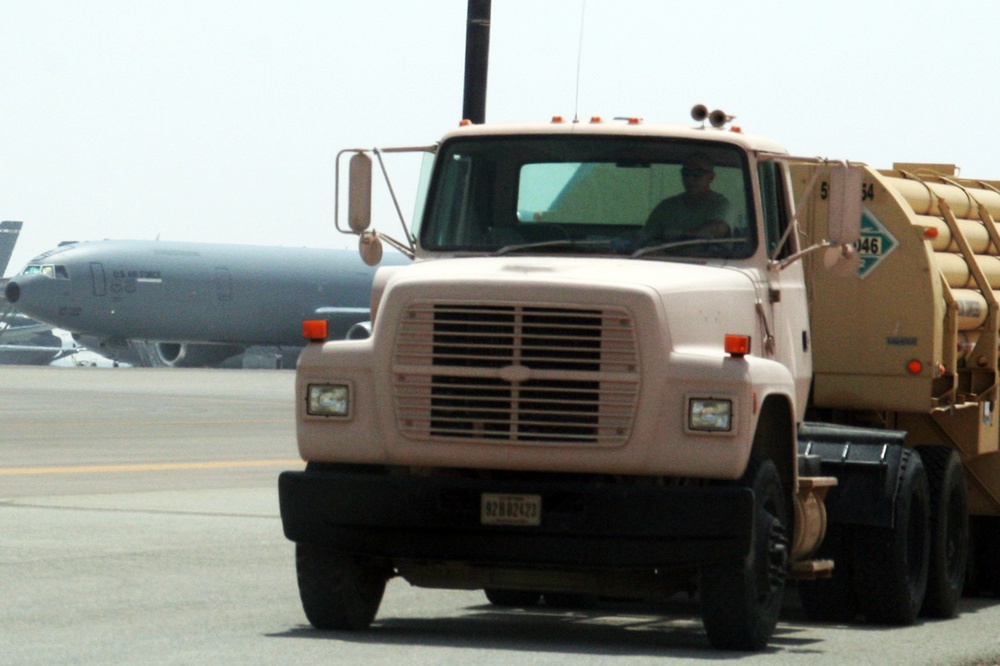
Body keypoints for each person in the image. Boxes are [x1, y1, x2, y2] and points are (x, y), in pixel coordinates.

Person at [640, 154, 733, 243]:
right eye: (686, 173)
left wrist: (680, 236)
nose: (690, 179)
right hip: (667, 258)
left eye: (697, 174)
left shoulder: (721, 204)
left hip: (710, 258)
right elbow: (645, 238)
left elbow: (717, 229)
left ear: (711, 177)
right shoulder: (666, 207)